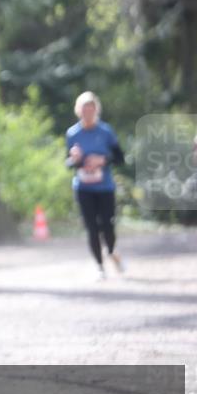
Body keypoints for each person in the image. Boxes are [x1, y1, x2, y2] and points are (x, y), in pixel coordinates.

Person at [65, 91, 124, 280]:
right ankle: (100, 266)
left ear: (96, 110)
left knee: (107, 226)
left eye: (91, 108)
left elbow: (120, 158)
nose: (88, 112)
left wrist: (102, 159)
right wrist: (76, 160)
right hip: (83, 188)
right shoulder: (73, 133)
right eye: (84, 109)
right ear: (78, 111)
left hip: (105, 187)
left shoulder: (106, 131)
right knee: (91, 228)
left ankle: (112, 251)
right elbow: (69, 163)